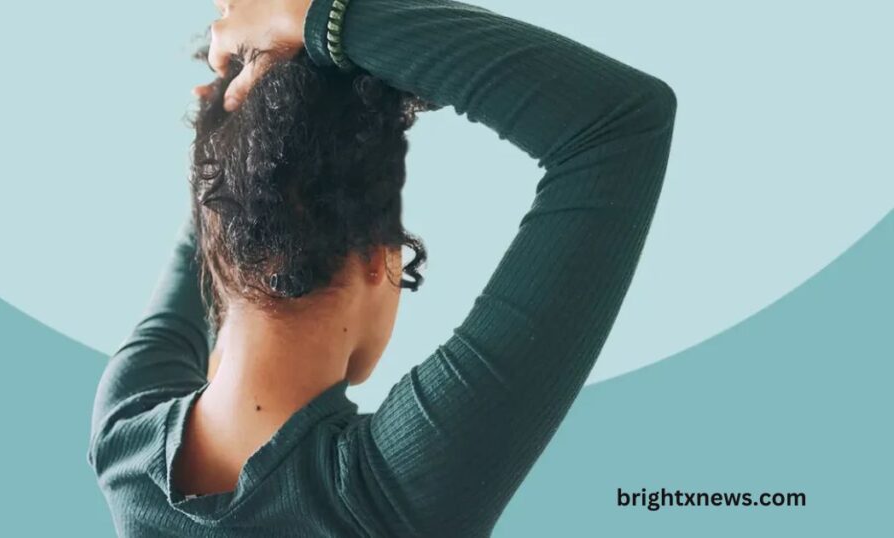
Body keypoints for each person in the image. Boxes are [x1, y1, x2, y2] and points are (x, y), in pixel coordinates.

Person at [87, 0, 677, 536]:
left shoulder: (125, 440)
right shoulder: (385, 497)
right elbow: (615, 123)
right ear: (379, 258)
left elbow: (217, 213)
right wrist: (325, 21)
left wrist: (241, 109)